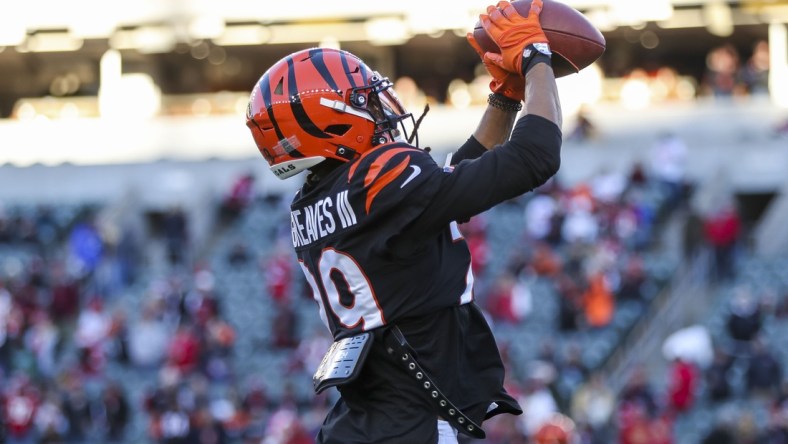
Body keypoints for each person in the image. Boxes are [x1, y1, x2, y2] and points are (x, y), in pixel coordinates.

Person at [244, 0, 562, 441]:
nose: (382, 109)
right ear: (332, 123)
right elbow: (536, 156)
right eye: (364, 101)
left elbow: (450, 187)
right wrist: (535, 56)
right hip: (413, 424)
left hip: (359, 424)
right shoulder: (379, 177)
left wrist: (505, 96)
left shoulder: (313, 204)